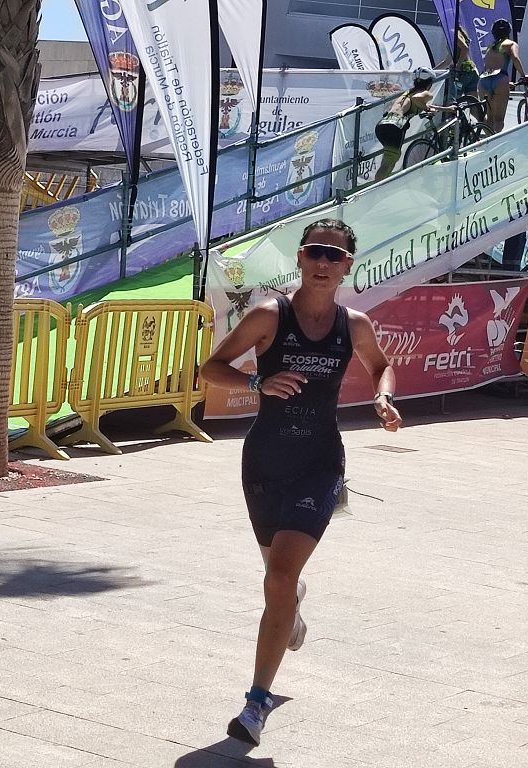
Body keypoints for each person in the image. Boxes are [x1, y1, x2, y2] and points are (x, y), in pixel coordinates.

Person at [200, 219, 402, 747]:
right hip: (264, 461)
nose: (323, 263)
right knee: (279, 578)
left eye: (334, 256)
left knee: (278, 577)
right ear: (300, 258)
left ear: (347, 267)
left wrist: (382, 397)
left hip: (320, 462)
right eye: (316, 252)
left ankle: (256, 702)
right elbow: (211, 368)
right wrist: (255, 380)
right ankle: (289, 614)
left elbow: (382, 366)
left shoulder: (353, 325)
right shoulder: (270, 316)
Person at [374, 67, 454, 181]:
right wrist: (427, 109)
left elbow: (419, 102)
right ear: (429, 82)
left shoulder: (408, 92)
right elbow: (418, 99)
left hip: (383, 125)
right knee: (388, 163)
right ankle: (375, 191)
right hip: (395, 126)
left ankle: (379, 187)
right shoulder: (425, 93)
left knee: (390, 159)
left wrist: (447, 109)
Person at [478, 19, 527, 133]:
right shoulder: (511, 44)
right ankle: (495, 144)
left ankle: (488, 141)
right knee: (498, 119)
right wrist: (524, 75)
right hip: (500, 79)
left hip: (484, 79)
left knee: (489, 116)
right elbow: (515, 58)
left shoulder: (491, 46)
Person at [437, 27, 479, 100]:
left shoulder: (453, 33)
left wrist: (458, 65)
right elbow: (447, 61)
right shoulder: (459, 34)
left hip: (462, 73)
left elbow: (465, 48)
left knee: (452, 102)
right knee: (473, 103)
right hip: (472, 70)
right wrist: (432, 71)